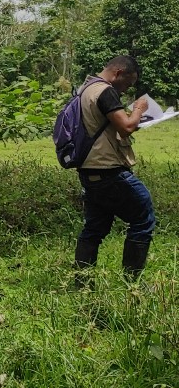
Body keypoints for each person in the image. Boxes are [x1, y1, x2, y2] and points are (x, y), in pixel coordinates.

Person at [73, 55, 156, 284]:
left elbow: (109, 127)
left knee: (94, 228)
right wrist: (139, 108)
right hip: (109, 171)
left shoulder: (84, 89)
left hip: (90, 171)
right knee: (143, 218)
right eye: (128, 83)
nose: (126, 89)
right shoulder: (105, 91)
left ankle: (82, 284)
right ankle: (132, 285)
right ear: (118, 72)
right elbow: (127, 126)